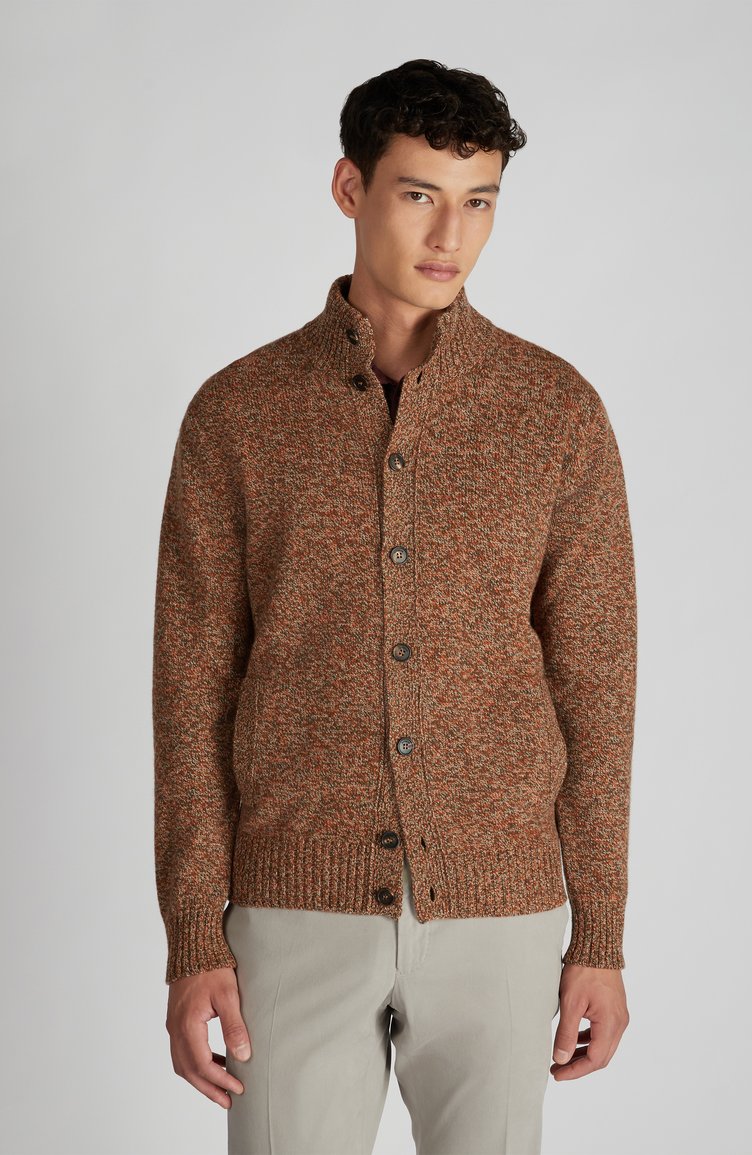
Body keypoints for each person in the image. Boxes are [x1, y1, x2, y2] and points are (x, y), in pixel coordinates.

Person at [153, 58, 636, 1155]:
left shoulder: (553, 411)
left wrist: (599, 935)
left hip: (502, 920)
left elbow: (596, 688)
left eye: (479, 202)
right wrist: (193, 938)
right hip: (291, 914)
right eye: (419, 194)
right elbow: (190, 691)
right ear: (350, 188)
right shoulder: (238, 413)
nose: (450, 234)